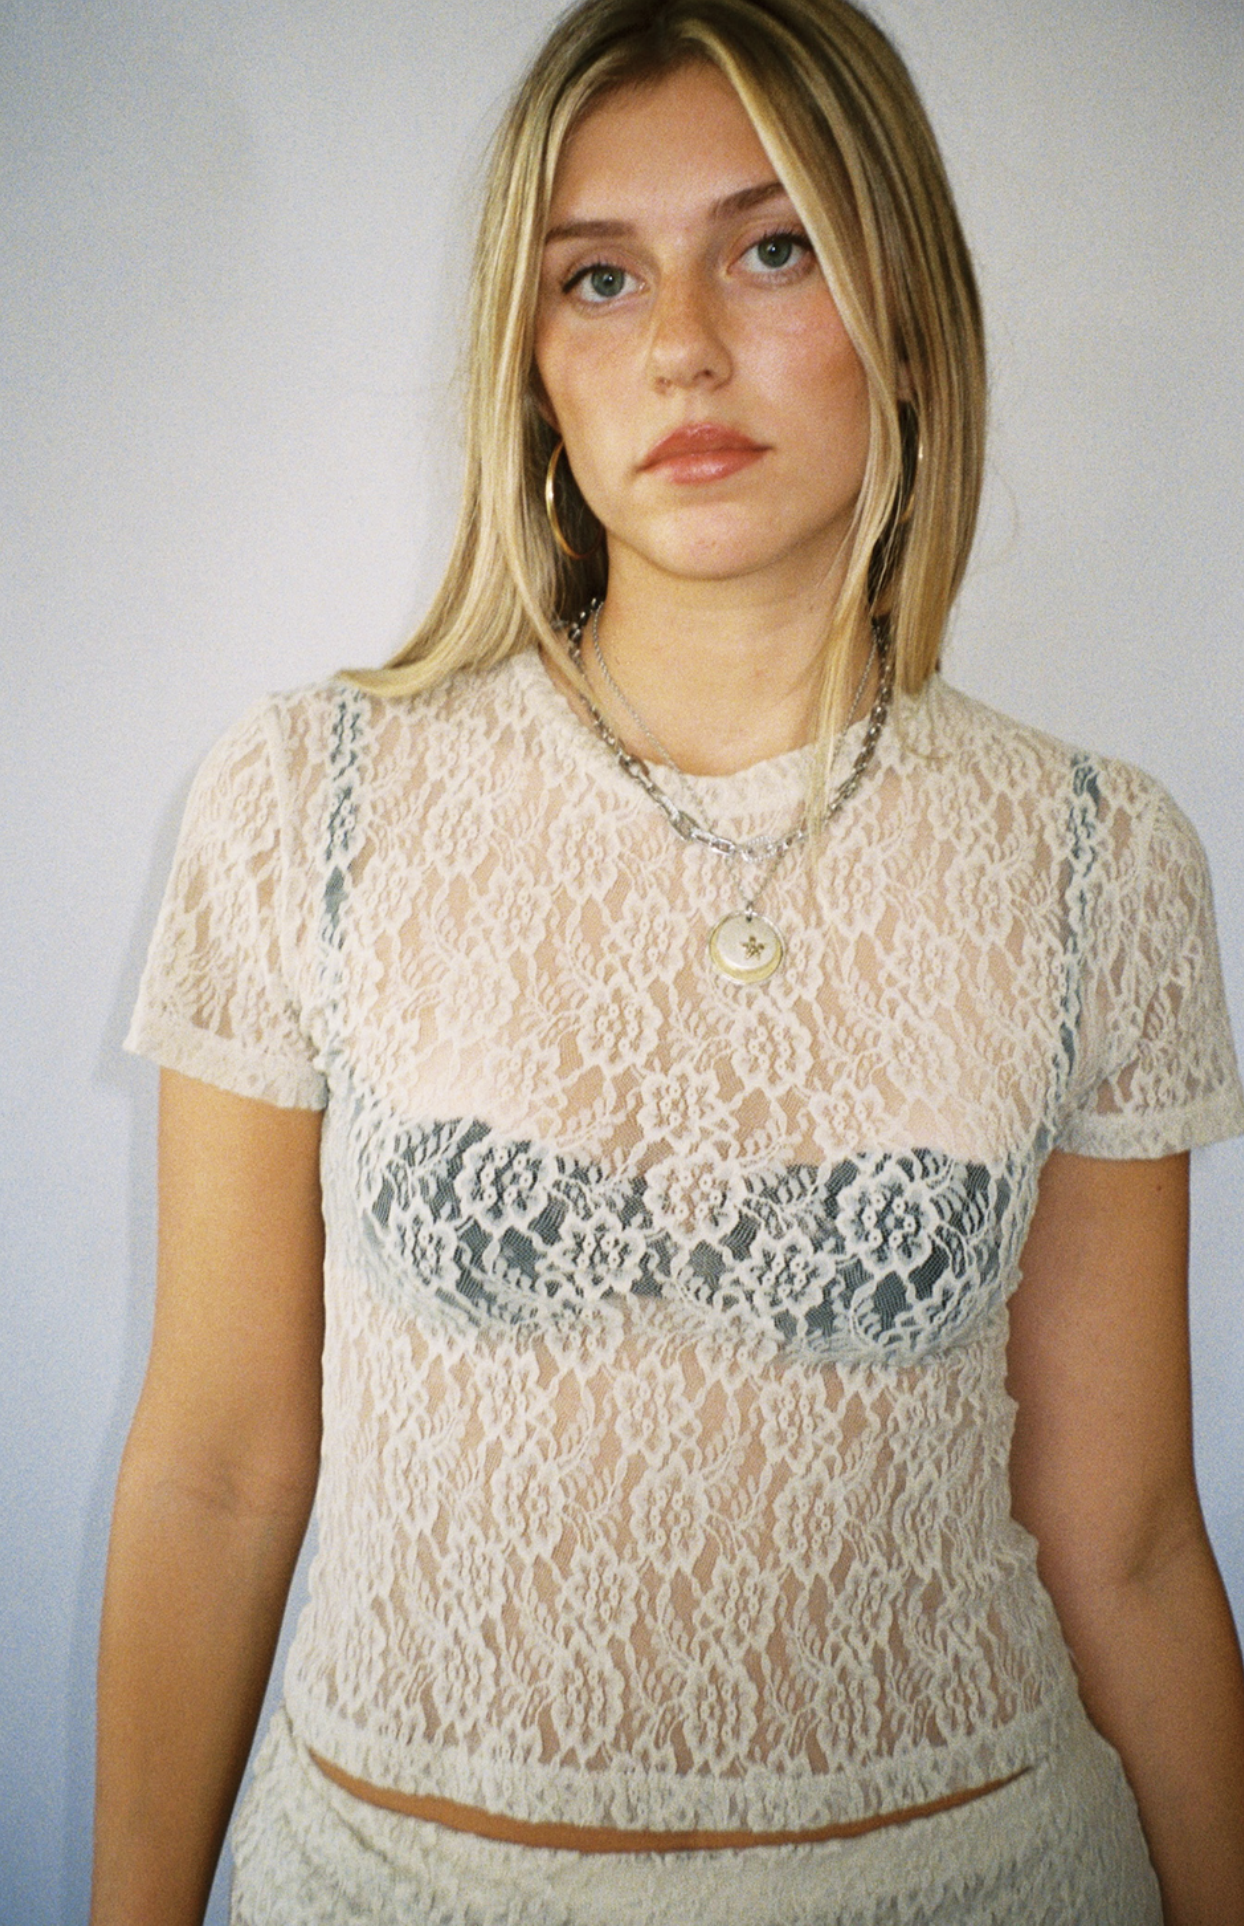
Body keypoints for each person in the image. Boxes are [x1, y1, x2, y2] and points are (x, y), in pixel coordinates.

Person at [91, 1, 1244, 1921]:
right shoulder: (312, 800)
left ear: (911, 303)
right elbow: (213, 1466)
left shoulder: (1097, 860)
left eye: (771, 245)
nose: (686, 345)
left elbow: (1124, 1536)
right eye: (601, 279)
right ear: (530, 360)